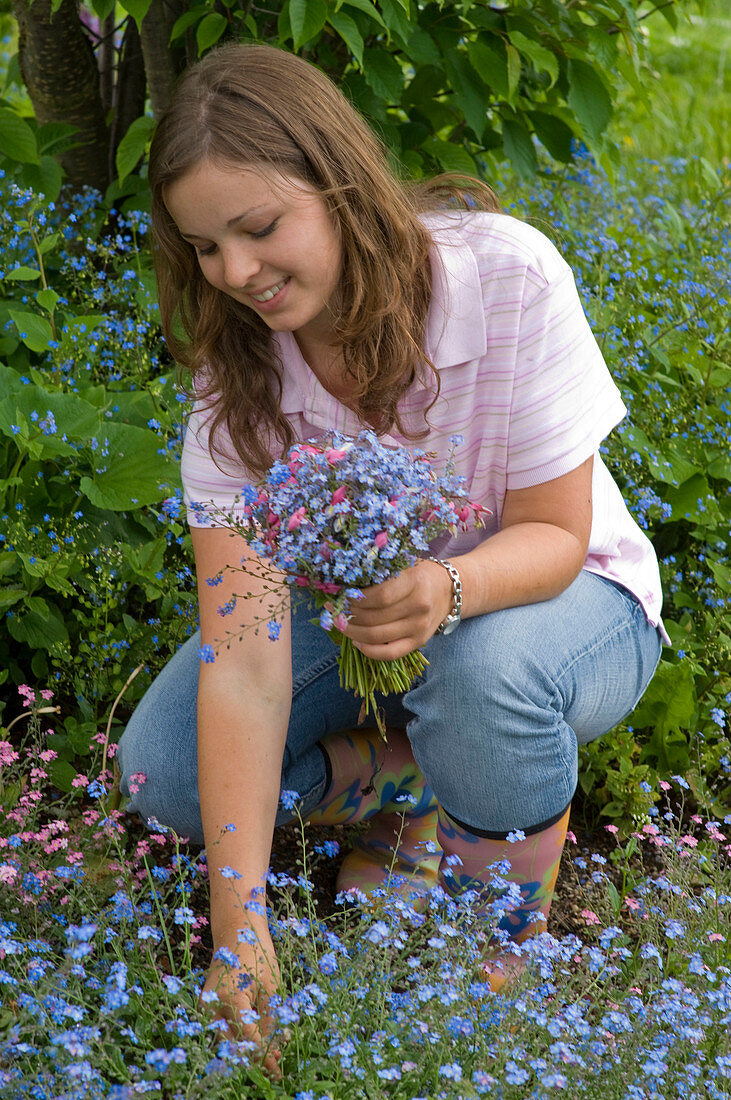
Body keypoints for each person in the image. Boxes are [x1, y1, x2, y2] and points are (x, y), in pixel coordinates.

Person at [118, 42, 665, 1061]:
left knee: (479, 670)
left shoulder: (503, 274)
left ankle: (502, 966)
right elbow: (242, 657)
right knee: (165, 776)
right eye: (202, 247)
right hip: (367, 629)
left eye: (259, 227)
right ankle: (416, 795)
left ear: (335, 182)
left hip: (569, 604)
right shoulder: (233, 390)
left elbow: (555, 535)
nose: (235, 273)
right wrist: (241, 931)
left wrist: (445, 586)